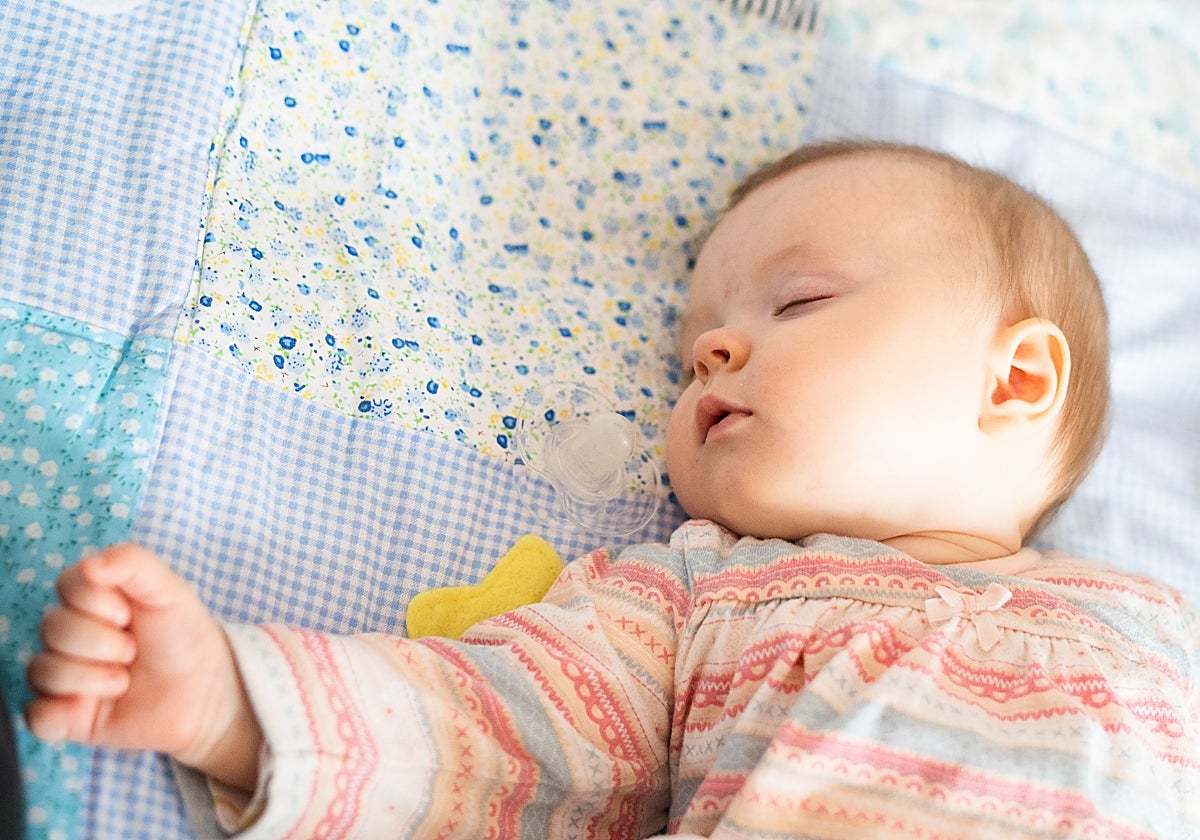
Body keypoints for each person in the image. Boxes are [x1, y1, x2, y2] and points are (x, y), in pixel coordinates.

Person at [24, 140, 1200, 838]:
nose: (714, 353)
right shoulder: (695, 603)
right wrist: (228, 706)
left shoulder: (1165, 634)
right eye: (697, 344)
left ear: (1019, 376)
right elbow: (484, 737)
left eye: (797, 304)